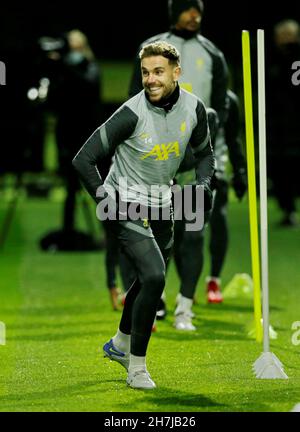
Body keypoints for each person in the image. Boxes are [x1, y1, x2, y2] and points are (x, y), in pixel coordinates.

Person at [72, 41, 215, 389]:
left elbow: (204, 155)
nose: (150, 80)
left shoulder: (194, 109)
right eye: (146, 73)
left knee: (149, 278)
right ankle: (136, 367)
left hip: (163, 201)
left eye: (158, 72)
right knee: (154, 277)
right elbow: (83, 159)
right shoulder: (131, 113)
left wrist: (204, 185)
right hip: (124, 202)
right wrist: (107, 200)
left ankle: (120, 343)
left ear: (176, 73)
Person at [128, 0, 229, 323]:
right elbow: (134, 102)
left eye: (198, 9)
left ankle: (185, 305)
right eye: (187, 9)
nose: (194, 15)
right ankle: (154, 297)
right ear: (174, 11)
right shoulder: (151, 48)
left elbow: (221, 108)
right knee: (158, 232)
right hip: (158, 160)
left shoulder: (212, 54)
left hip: (195, 159)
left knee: (195, 233)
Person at [174, 90, 247, 329]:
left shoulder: (226, 100)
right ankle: (185, 289)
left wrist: (239, 171)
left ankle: (211, 282)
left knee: (210, 224)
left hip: (213, 172)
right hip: (177, 175)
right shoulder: (174, 98)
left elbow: (233, 138)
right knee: (178, 235)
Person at [266, 19, 300, 227]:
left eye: (289, 36)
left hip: (296, 123)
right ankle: (288, 210)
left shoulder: (295, 60)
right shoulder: (269, 58)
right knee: (280, 169)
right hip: (277, 126)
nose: (285, 41)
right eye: (282, 36)